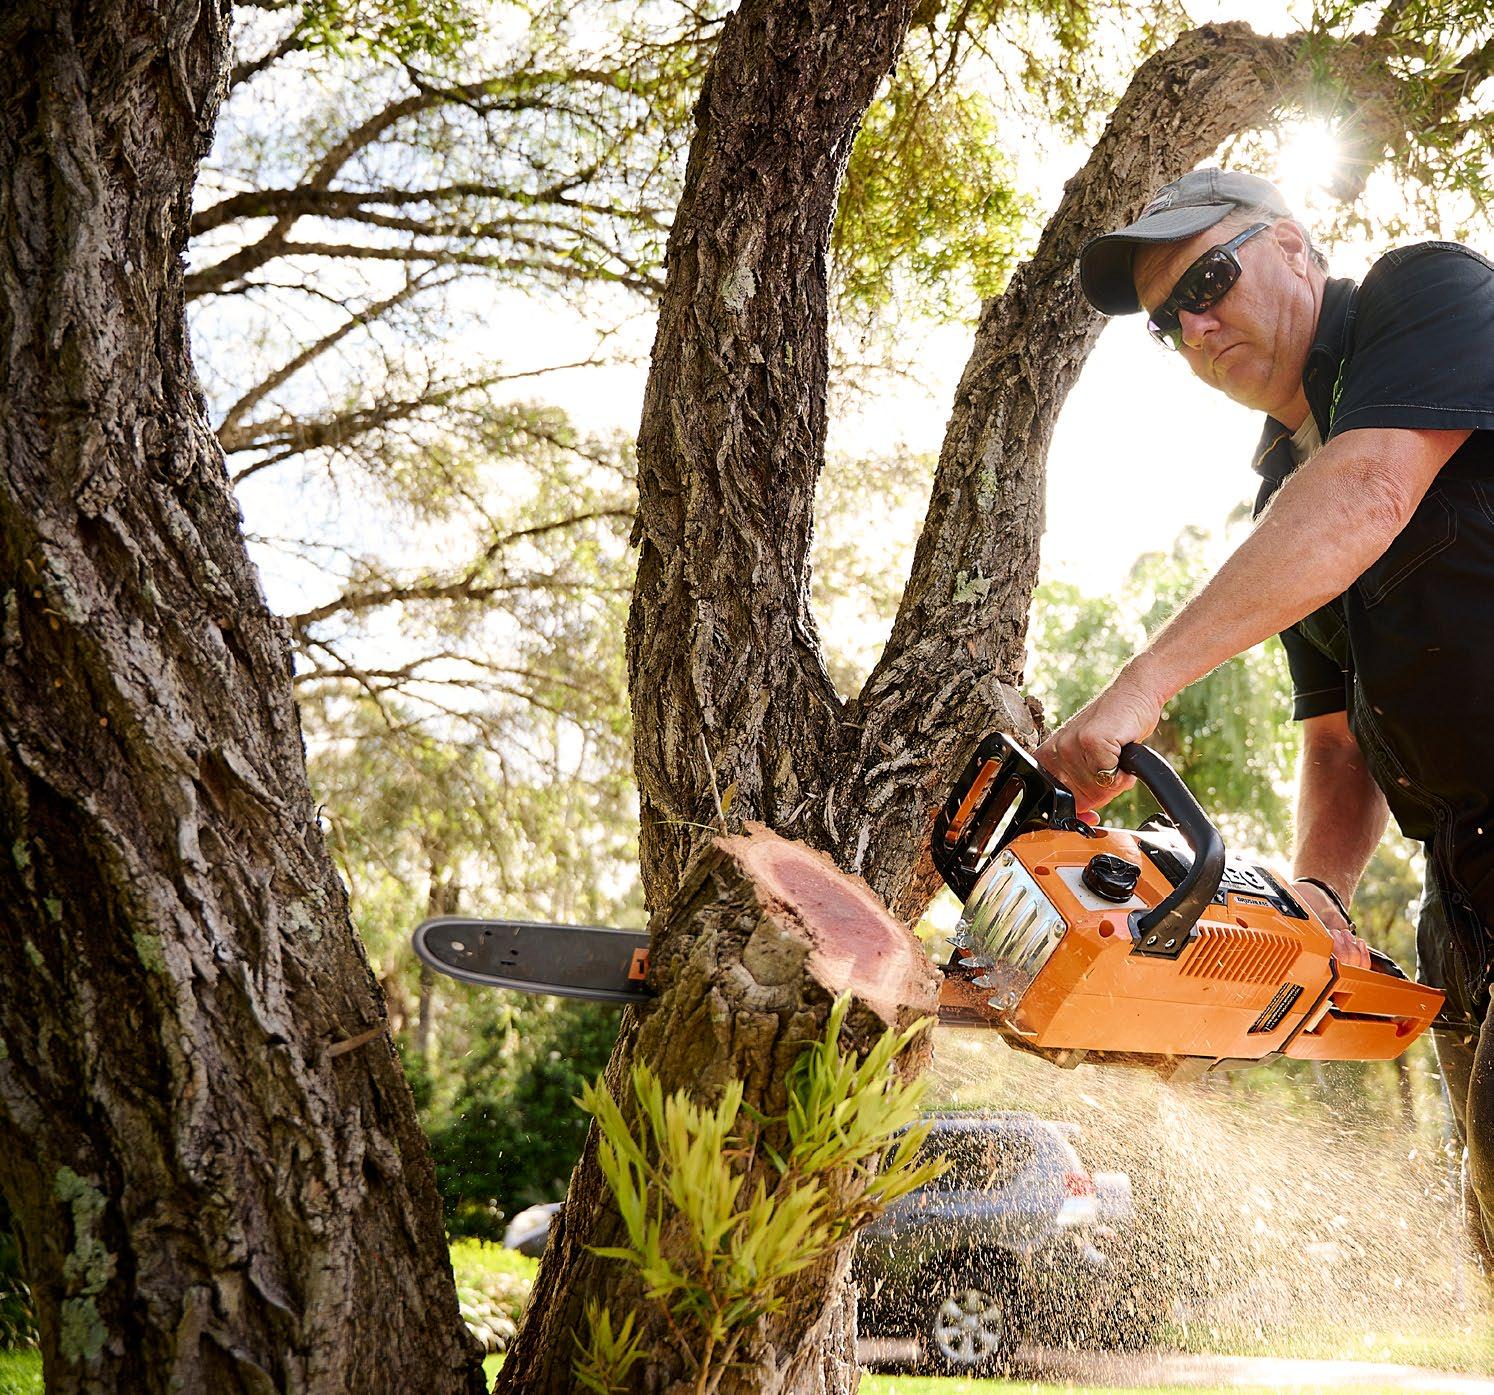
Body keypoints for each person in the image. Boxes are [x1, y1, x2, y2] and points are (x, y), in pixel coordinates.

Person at [1042, 167, 1494, 1273]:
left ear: (1292, 247)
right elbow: (1340, 742)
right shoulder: (1281, 504)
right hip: (1465, 893)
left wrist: (1141, 685)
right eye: (1168, 322)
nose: (1195, 328)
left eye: (1207, 281)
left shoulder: (1426, 294)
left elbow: (1373, 492)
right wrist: (1316, 895)